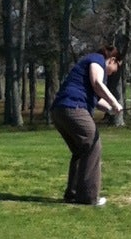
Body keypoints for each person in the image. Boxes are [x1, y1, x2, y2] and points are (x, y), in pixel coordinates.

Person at [50, 44, 123, 205]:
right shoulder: (97, 60)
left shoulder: (89, 65)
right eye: (116, 66)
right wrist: (115, 101)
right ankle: (89, 197)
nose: (114, 72)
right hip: (73, 107)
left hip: (59, 110)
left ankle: (73, 193)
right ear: (112, 59)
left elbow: (96, 99)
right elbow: (97, 83)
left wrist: (111, 109)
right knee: (93, 145)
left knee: (80, 150)